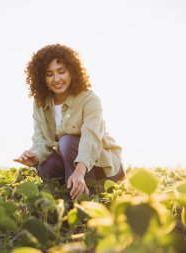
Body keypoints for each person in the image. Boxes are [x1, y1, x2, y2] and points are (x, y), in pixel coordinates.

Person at [14, 44, 124, 200]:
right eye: (49, 74)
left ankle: (85, 203)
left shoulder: (89, 99)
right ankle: (61, 202)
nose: (57, 79)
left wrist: (79, 173)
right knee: (46, 163)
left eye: (61, 72)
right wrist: (35, 156)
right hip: (71, 164)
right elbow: (41, 140)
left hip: (101, 167)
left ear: (72, 71)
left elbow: (90, 139)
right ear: (42, 78)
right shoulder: (40, 103)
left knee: (67, 141)